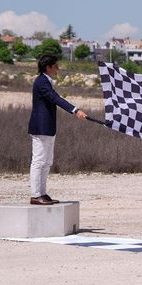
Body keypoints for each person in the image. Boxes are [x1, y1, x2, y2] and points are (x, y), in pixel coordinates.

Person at [28, 55, 88, 205]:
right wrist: (75, 110)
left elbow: (55, 98)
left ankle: (42, 193)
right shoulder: (42, 82)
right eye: (56, 66)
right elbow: (56, 99)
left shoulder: (46, 81)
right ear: (48, 67)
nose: (57, 69)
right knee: (39, 161)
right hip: (40, 127)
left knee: (47, 161)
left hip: (48, 127)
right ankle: (35, 195)